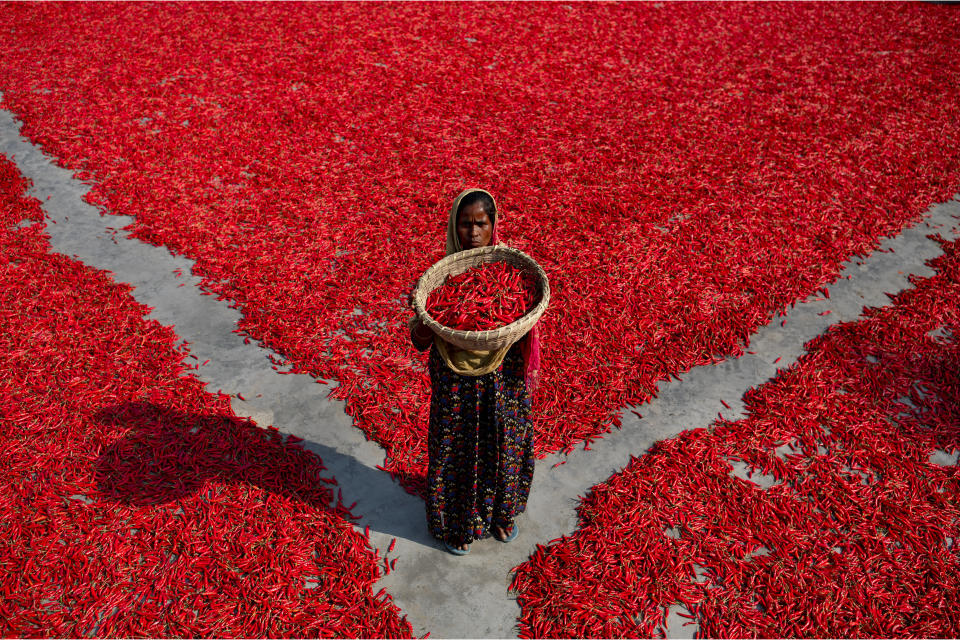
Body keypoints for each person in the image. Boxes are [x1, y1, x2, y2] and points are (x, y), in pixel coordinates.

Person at [409, 188, 541, 555]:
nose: (472, 233)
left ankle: (502, 514)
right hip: (455, 383)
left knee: (503, 442)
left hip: (503, 380)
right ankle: (457, 524)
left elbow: (527, 315)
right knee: (457, 447)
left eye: (480, 223)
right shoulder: (437, 281)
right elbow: (418, 339)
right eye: (464, 224)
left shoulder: (512, 271)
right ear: (454, 227)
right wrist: (426, 324)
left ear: (493, 224)